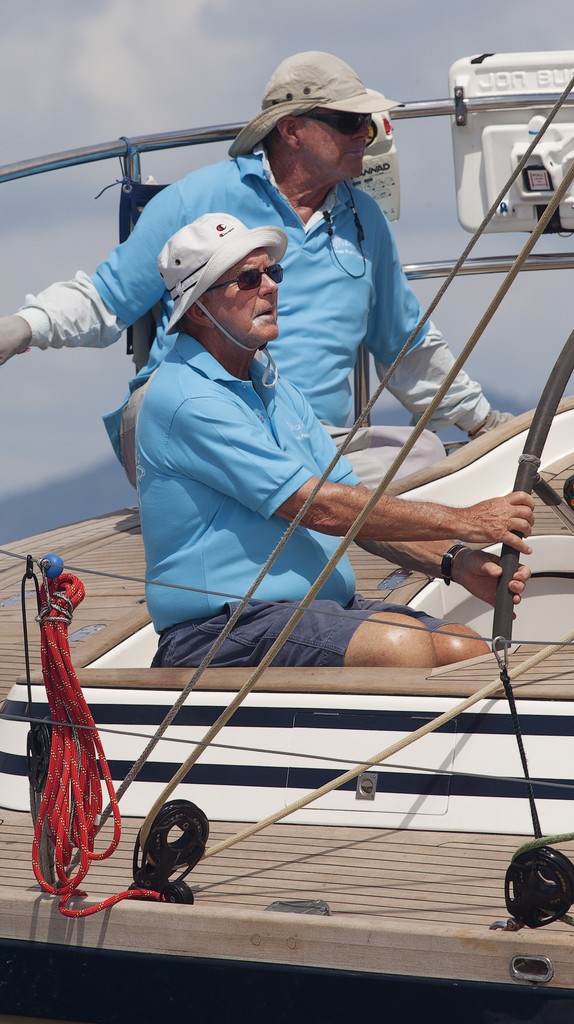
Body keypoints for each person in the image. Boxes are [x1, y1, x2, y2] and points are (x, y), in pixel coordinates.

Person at [0, 51, 512, 489]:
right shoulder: (197, 198)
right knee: (293, 473)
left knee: (424, 457)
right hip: (207, 423)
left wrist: (483, 424)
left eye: (370, 122)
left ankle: (298, 493)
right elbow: (104, 299)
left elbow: (407, 348)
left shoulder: (365, 220)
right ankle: (304, 496)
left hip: (313, 440)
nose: (367, 134)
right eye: (351, 121)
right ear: (292, 129)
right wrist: (23, 328)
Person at [136, 213, 532, 671]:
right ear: (200, 310)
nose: (269, 287)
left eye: (272, 272)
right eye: (248, 278)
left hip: (309, 614)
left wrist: (454, 561)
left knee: (465, 648)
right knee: (398, 648)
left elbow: (357, 507)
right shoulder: (188, 399)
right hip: (221, 631)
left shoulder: (274, 386)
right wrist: (466, 520)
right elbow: (318, 507)